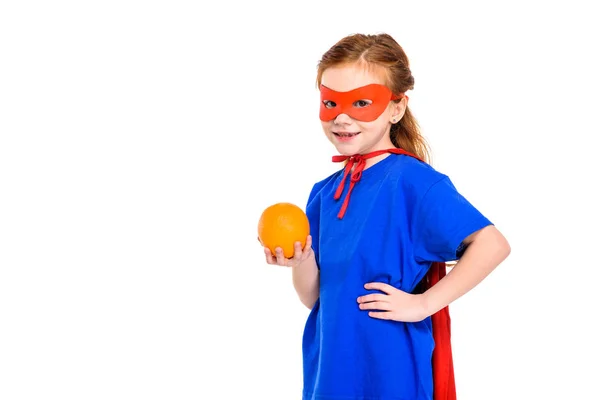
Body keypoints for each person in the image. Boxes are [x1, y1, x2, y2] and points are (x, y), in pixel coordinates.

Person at [261, 33, 511, 400]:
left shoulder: (414, 182)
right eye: (331, 103)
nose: (342, 117)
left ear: (396, 108)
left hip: (390, 369)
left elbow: (492, 244)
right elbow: (315, 296)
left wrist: (423, 304)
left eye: (361, 102)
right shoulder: (324, 192)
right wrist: (301, 260)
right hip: (330, 371)